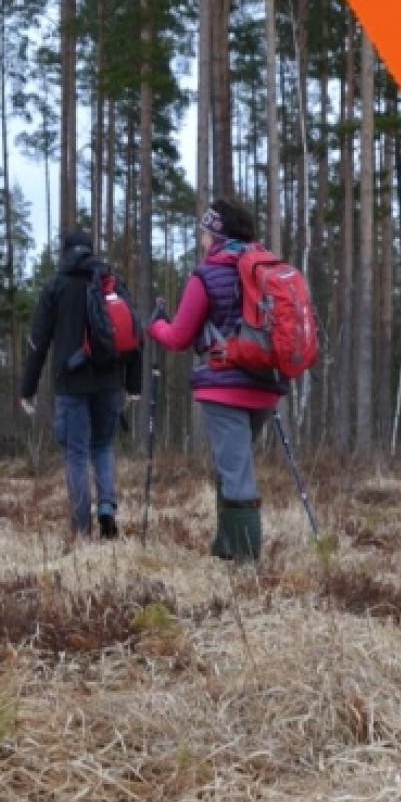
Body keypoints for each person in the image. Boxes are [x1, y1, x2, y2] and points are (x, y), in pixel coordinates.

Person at [148, 197, 289, 564]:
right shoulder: (266, 269)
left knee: (237, 472)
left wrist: (156, 324)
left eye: (205, 233)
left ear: (216, 234)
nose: (202, 241)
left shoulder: (207, 275)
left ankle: (246, 565)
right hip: (264, 384)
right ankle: (226, 547)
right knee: (233, 464)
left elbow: (179, 338)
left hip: (225, 385)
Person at [20, 228, 142, 546]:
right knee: (102, 446)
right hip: (109, 382)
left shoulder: (55, 288)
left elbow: (38, 343)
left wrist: (27, 389)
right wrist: (133, 385)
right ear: (90, 251)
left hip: (71, 384)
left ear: (65, 252)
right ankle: (106, 508)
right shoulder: (110, 283)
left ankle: (82, 529)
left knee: (75, 453)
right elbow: (134, 335)